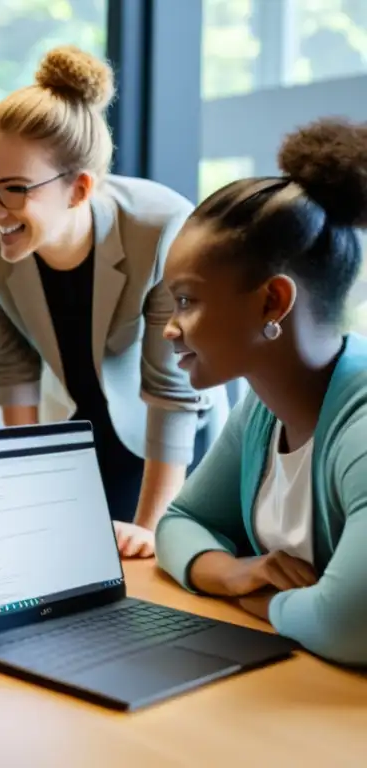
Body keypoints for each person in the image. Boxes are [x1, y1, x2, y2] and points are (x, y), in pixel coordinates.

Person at [0, 46, 229, 558]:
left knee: (154, 569)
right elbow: (11, 370)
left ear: (79, 188)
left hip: (167, 443)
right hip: (72, 431)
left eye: (14, 190)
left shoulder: (160, 227)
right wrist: (29, 492)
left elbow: (170, 390)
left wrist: (152, 529)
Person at [155, 118, 367, 666]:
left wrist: (263, 605)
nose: (169, 328)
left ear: (273, 302)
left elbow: (350, 624)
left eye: (186, 300)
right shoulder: (261, 410)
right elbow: (179, 525)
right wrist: (234, 572)